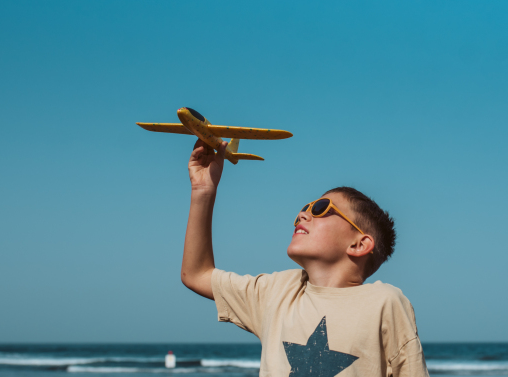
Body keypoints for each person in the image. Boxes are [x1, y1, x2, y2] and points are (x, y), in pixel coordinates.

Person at [180, 139, 429, 377]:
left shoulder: (385, 302)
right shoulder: (278, 292)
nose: (302, 214)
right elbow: (196, 274)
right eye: (305, 207)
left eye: (321, 208)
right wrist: (203, 190)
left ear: (359, 244)